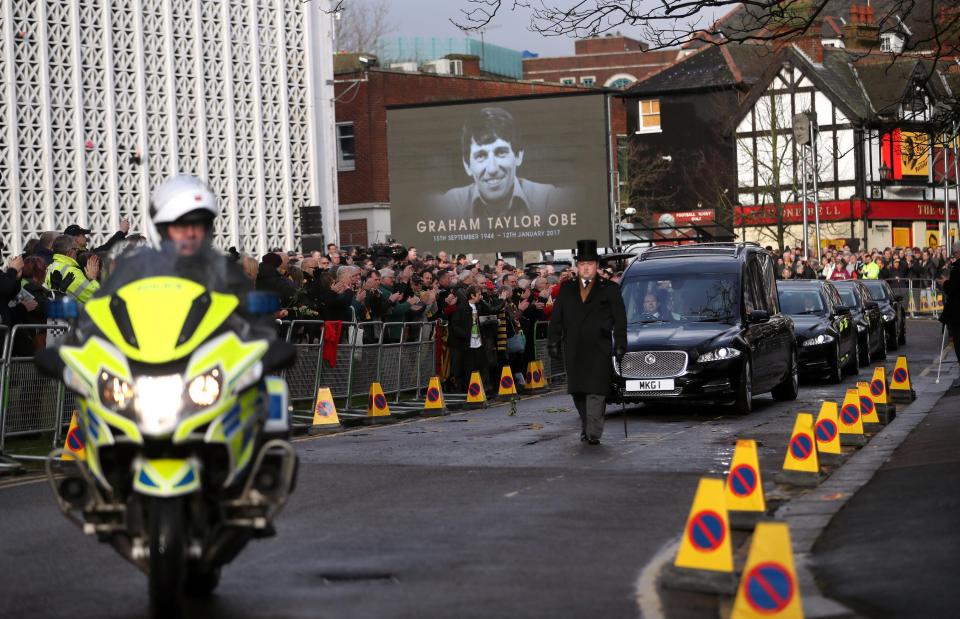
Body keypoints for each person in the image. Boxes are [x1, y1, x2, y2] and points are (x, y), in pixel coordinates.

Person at [547, 239, 627, 445]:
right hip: (573, 346)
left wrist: (620, 343)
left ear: (597, 266)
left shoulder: (609, 288)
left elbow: (620, 319)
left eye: (590, 264)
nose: (585, 268)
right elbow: (556, 317)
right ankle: (587, 424)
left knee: (596, 389)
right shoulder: (566, 289)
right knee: (578, 390)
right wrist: (553, 342)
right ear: (577, 267)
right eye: (582, 264)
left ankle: (593, 430)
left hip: (599, 346)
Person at [437, 107, 565, 221]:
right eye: (481, 156)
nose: (492, 169)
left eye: (501, 153)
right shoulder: (449, 206)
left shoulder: (549, 201)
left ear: (518, 155)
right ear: (467, 165)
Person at [44, 234, 100, 303]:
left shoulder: (50, 267)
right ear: (70, 252)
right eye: (76, 249)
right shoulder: (72, 272)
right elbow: (97, 298)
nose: (77, 252)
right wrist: (93, 278)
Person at [940, 263, 960, 367]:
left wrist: (945, 283)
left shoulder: (956, 270)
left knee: (958, 341)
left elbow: (952, 289)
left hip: (957, 313)